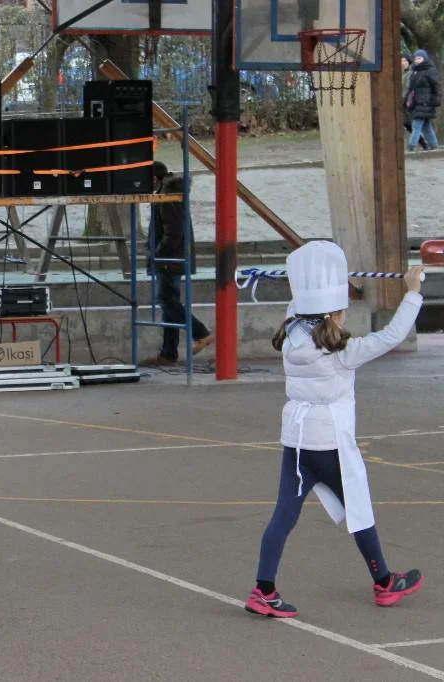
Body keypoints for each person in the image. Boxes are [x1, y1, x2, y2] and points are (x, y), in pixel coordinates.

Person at [245, 241, 425, 618]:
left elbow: (299, 307)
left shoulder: (291, 336)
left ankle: (263, 589)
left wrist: (308, 282)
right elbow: (392, 336)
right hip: (330, 444)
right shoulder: (344, 352)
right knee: (358, 508)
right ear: (338, 314)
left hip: (297, 441)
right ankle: (383, 582)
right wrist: (412, 292)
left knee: (284, 515)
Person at [146, 162, 213, 365]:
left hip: (170, 259)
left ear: (155, 179)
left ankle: (200, 333)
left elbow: (174, 230)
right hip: (173, 257)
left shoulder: (167, 197)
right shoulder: (170, 193)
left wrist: (158, 253)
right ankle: (168, 353)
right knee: (169, 304)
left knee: (167, 300)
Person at [405, 49, 440, 152]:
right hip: (417, 104)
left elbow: (437, 87)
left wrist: (435, 101)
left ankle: (411, 147)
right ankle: (434, 145)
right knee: (426, 126)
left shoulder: (430, 71)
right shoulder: (415, 71)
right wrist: (407, 100)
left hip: (426, 103)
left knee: (416, 125)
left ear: (425, 58)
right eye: (416, 58)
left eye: (419, 58)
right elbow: (411, 88)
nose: (417, 60)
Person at [401, 55, 430, 150]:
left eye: (405, 61)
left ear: (409, 62)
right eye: (401, 61)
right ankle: (424, 144)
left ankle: (422, 144)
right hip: (404, 103)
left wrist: (402, 100)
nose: (403, 63)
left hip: (408, 103)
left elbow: (408, 88)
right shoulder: (403, 74)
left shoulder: (410, 73)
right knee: (408, 124)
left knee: (412, 125)